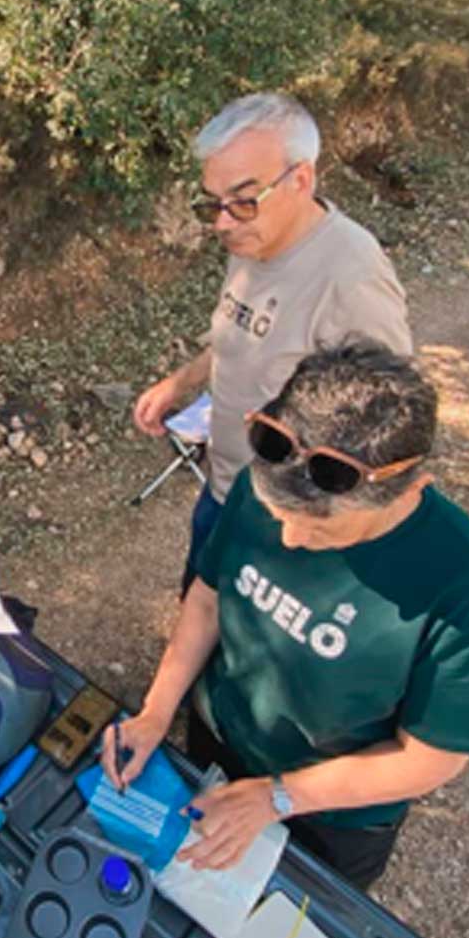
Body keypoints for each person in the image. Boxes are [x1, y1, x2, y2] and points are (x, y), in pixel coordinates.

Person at [105, 340, 469, 893]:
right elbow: (208, 596)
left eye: (320, 531)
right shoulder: (266, 477)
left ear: (410, 489)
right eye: (278, 517)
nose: (291, 539)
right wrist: (157, 712)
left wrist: (279, 796)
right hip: (219, 741)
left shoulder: (464, 584)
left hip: (332, 813)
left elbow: (433, 757)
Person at [132, 93, 413, 589]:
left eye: (241, 201)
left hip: (286, 525)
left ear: (300, 180)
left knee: (246, 653)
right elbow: (239, 329)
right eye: (212, 204)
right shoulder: (253, 236)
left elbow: (387, 424)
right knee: (197, 615)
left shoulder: (352, 276)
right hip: (224, 492)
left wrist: (317, 529)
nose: (221, 223)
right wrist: (181, 384)